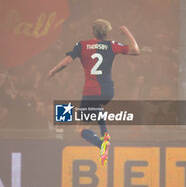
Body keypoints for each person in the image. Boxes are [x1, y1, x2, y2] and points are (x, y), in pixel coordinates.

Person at [47, 19, 140, 165]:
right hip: (108, 91)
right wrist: (127, 32)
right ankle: (104, 134)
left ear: (92, 31)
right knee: (97, 106)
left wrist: (53, 71)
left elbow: (67, 62)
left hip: (91, 91)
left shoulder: (82, 45)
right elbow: (136, 50)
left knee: (81, 128)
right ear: (107, 33)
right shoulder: (112, 45)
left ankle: (101, 142)